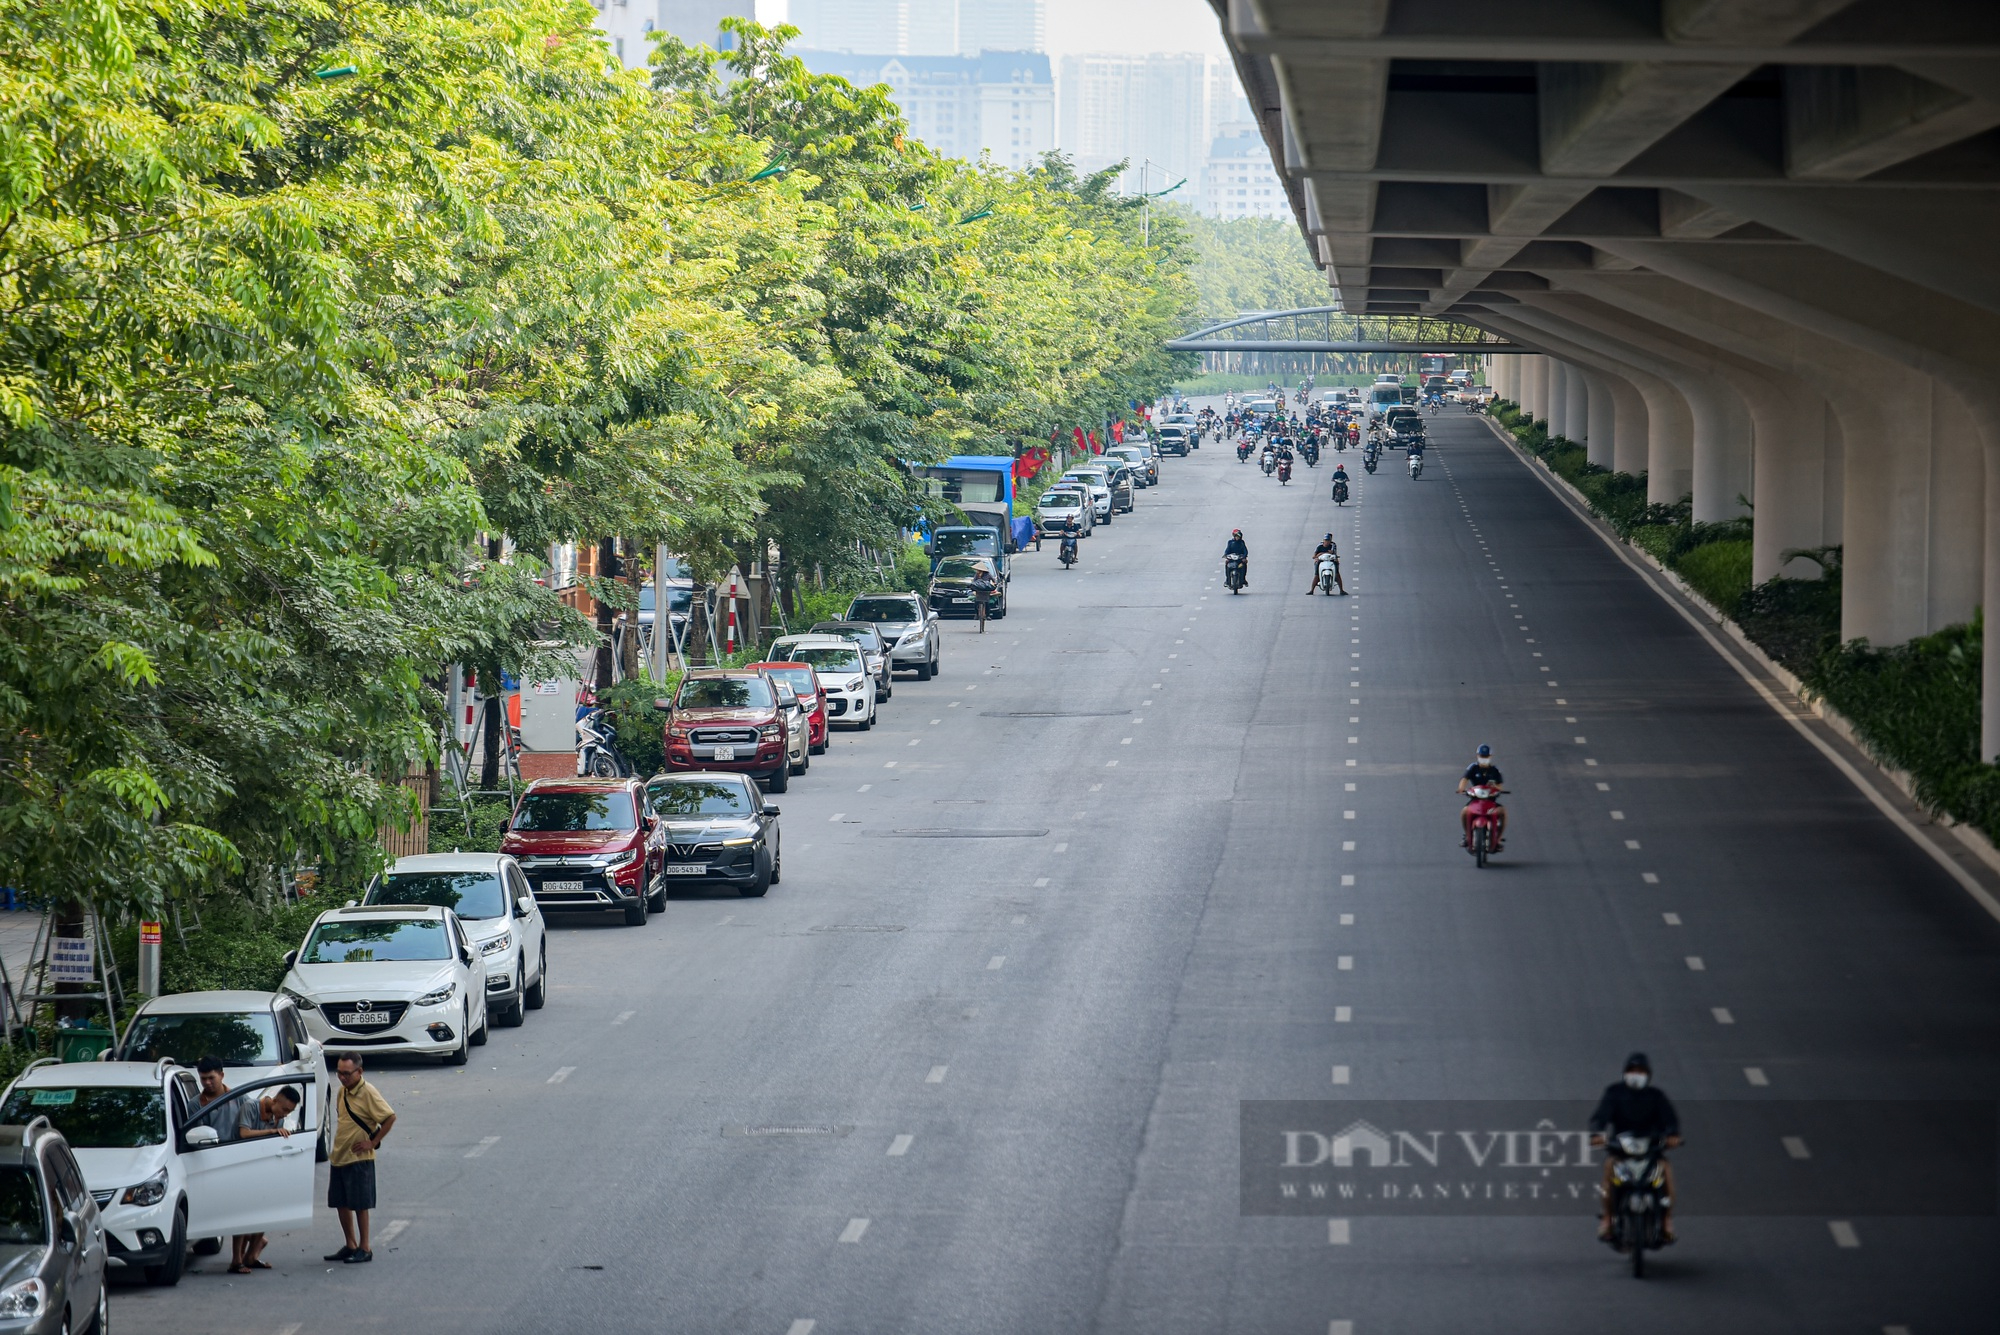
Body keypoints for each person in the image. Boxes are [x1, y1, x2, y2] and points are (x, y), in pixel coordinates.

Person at [1589, 1053, 1681, 1243]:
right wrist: (1597, 1134)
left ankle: (1666, 1219)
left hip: (1651, 1149)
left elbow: (1670, 1120)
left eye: (1640, 1071)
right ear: (1625, 1073)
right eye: (1632, 1071)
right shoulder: (1614, 1093)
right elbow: (1600, 1117)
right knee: (1609, 1172)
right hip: (1621, 1149)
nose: (1636, 1074)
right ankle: (1608, 1218)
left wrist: (1672, 1136)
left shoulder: (1656, 1097)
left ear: (1648, 1075)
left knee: (1666, 1173)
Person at [325, 1054, 396, 1265]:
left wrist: (372, 1142)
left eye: (347, 1073)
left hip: (359, 1157)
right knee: (341, 1203)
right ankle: (350, 1244)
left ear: (360, 1072)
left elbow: (390, 1117)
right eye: (339, 1073)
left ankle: (365, 1247)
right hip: (340, 1155)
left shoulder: (368, 1092)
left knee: (360, 1204)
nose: (342, 1078)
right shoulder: (341, 1092)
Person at [230, 1086, 299, 1273]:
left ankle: (251, 1256)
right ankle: (236, 1260)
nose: (284, 1114)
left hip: (262, 1169)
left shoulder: (279, 1117)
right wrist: (271, 1132)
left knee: (264, 1212)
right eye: (284, 1110)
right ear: (274, 1100)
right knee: (243, 1215)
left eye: (289, 1112)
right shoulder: (250, 1107)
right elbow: (244, 1133)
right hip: (240, 1166)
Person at [1456, 744, 1505, 848]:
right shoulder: (1473, 767)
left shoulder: (1495, 770)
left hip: (1491, 801)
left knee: (1502, 812)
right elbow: (1464, 779)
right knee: (1464, 812)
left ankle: (1498, 838)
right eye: (1482, 756)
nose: (1484, 759)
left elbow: (1500, 787)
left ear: (1490, 757)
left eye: (1486, 757)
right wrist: (1461, 788)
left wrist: (1495, 786)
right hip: (1475, 800)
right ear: (1478, 756)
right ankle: (1468, 836)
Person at [970, 564, 998, 631]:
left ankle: (987, 615)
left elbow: (994, 581)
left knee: (987, 603)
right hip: (978, 591)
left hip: (986, 591)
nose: (978, 571)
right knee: (976, 603)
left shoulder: (988, 575)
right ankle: (977, 614)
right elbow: (974, 582)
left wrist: (994, 584)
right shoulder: (976, 575)